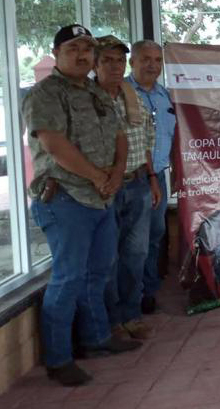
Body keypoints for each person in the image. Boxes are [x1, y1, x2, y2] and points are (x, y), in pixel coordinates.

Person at [23, 24, 142, 386]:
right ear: (56, 54)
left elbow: (120, 135)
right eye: (73, 49)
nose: (81, 55)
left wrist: (116, 173)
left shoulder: (95, 91)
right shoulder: (45, 93)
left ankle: (97, 338)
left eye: (87, 50)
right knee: (68, 277)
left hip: (100, 197)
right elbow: (54, 144)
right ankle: (59, 359)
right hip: (66, 198)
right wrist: (97, 177)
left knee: (99, 272)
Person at [96, 36, 160, 341]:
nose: (115, 66)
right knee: (108, 258)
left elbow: (147, 140)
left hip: (138, 183)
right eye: (107, 60)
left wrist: (152, 178)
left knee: (136, 254)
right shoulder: (88, 99)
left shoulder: (131, 96)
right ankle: (111, 323)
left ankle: (131, 315)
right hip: (105, 188)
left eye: (119, 60)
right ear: (95, 65)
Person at [128, 40, 172, 315]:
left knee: (155, 235)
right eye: (145, 59)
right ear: (132, 62)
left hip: (159, 177)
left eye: (157, 60)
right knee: (135, 244)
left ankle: (149, 291)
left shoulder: (163, 95)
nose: (152, 65)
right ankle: (132, 299)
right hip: (134, 179)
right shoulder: (122, 93)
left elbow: (170, 135)